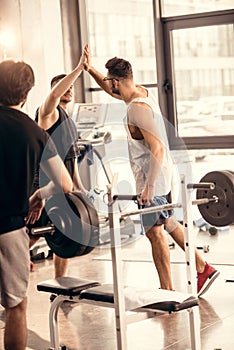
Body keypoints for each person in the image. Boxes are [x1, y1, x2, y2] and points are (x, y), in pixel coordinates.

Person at [83, 45, 220, 297]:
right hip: (163, 176)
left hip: (152, 180)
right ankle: (203, 267)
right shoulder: (141, 93)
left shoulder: (136, 109)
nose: (107, 85)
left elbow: (156, 147)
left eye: (108, 80)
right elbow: (112, 92)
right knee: (167, 222)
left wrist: (147, 187)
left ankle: (167, 290)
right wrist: (89, 68)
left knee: (153, 233)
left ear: (115, 81)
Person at [0, 59, 73, 350]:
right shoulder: (35, 133)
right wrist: (38, 196)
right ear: (27, 94)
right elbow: (66, 185)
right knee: (15, 306)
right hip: (9, 231)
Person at [29, 48, 87, 278]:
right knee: (30, 236)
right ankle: (11, 271)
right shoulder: (48, 113)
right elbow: (53, 96)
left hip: (62, 187)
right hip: (43, 187)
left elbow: (70, 160)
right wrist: (79, 69)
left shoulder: (68, 121)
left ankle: (61, 284)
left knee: (63, 233)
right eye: (64, 86)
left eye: (71, 87)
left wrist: (79, 190)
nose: (69, 89)